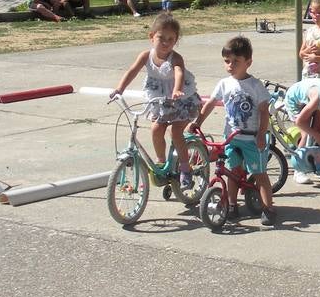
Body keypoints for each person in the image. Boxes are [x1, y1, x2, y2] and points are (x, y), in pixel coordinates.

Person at [194, 36, 277, 225]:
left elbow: (264, 112)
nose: (230, 65)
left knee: (260, 174)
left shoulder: (255, 86)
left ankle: (268, 208)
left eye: (236, 61)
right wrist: (197, 122)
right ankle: (232, 205)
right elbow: (211, 104)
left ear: (248, 63)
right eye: (227, 61)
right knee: (232, 172)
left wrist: (261, 135)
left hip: (252, 140)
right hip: (231, 138)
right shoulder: (224, 83)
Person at [112, 13, 201, 189]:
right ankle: (161, 163)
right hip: (160, 100)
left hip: (181, 100)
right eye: (161, 38)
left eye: (171, 39)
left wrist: (177, 89)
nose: (166, 42)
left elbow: (179, 73)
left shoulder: (176, 58)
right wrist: (119, 89)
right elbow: (132, 71)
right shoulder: (146, 56)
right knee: (156, 129)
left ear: (175, 41)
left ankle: (185, 169)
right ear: (152, 37)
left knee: (176, 133)